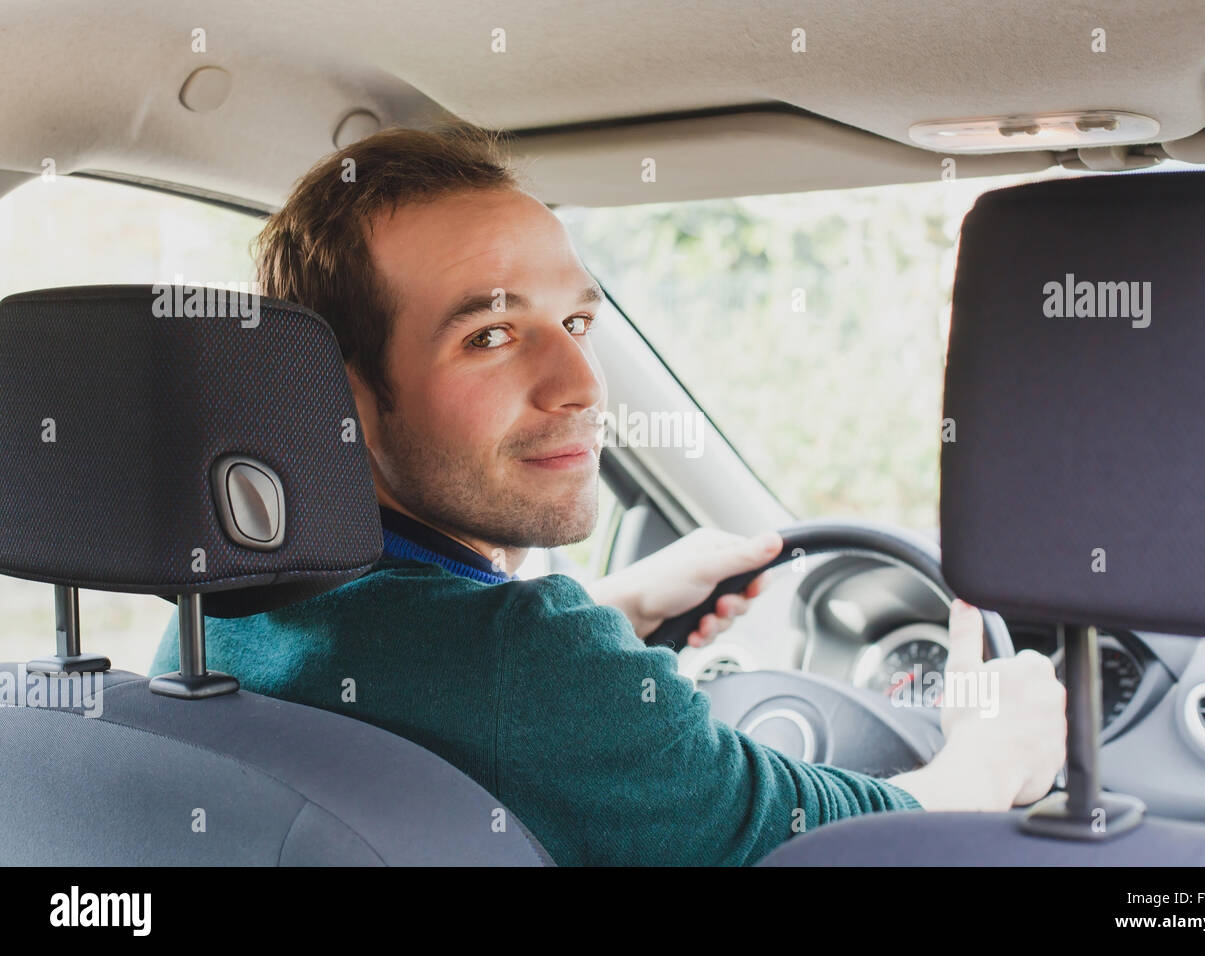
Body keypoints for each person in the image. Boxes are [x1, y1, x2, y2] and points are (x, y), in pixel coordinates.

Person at [150, 123, 1066, 866]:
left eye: (578, 320)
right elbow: (821, 844)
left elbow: (449, 677)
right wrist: (992, 756)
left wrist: (613, 610)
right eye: (493, 334)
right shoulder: (524, 660)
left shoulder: (218, 617)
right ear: (341, 399)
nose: (582, 381)